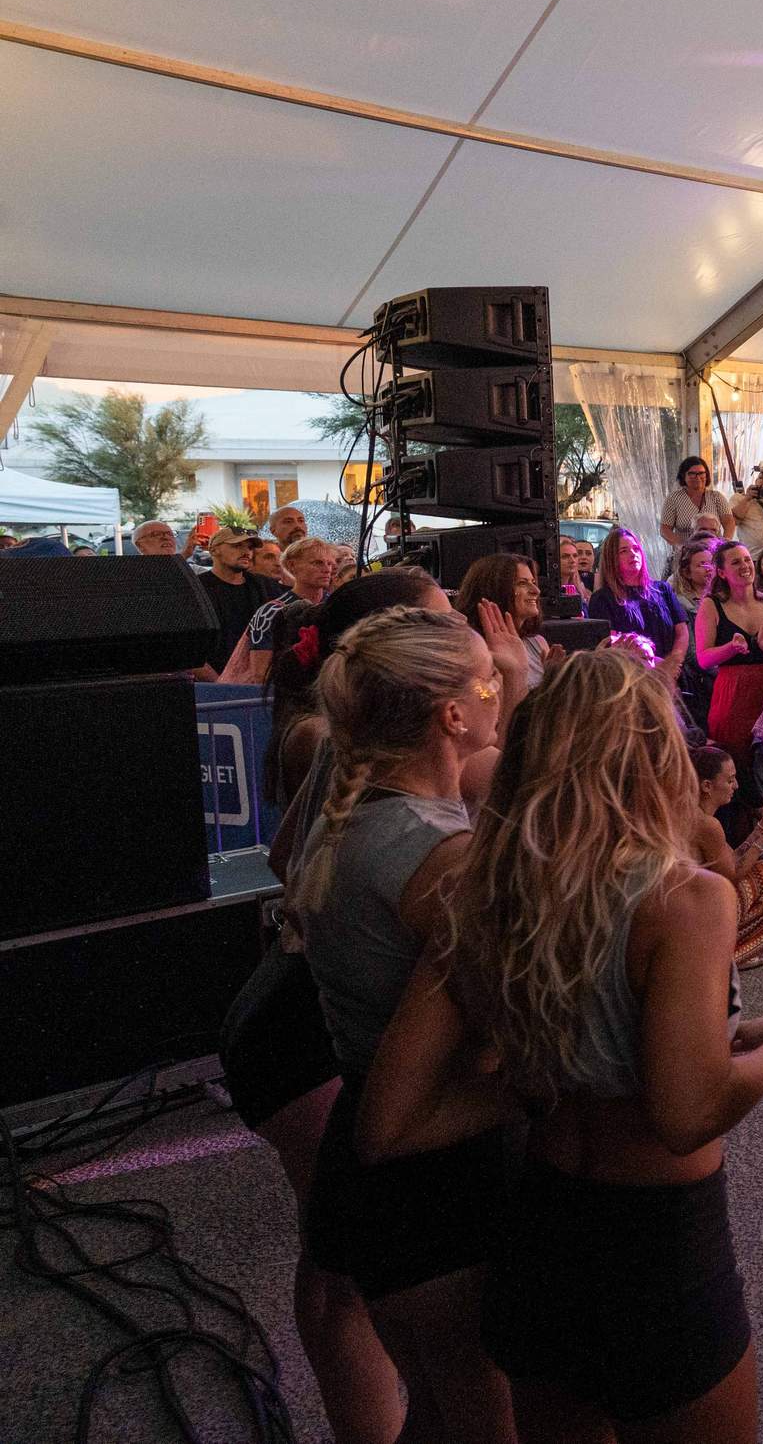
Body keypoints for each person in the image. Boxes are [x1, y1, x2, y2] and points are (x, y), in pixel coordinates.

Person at [359, 650, 763, 1444]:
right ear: (654, 756)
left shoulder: (486, 892)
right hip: (662, 1249)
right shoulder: (687, 899)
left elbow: (388, 1122)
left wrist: (545, 1080)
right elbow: (686, 1113)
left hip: (540, 1235)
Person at [222, 569, 454, 1444]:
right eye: (443, 623)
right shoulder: (361, 744)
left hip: (286, 1003)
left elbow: (287, 856)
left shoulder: (358, 737)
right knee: (346, 1275)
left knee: (338, 1256)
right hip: (300, 1031)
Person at [287, 606, 516, 1443]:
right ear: (452, 715)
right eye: (488, 682)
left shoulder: (346, 815)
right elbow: (497, 1036)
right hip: (440, 1174)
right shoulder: (440, 859)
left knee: (434, 1406)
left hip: (371, 1169)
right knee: (484, 1417)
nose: (500, 691)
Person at [690, 745, 763, 967]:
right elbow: (733, 875)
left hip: (695, 907)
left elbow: (732, 857)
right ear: (707, 786)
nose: (736, 786)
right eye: (730, 780)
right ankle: (727, 957)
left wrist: (761, 826)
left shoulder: (700, 816)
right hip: (698, 914)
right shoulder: (706, 824)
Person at [698, 542, 763, 772]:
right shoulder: (711, 605)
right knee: (737, 764)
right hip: (732, 695)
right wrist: (730, 648)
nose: (745, 565)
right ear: (721, 572)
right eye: (736, 562)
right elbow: (703, 658)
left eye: (747, 559)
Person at [585, 529, 694, 690]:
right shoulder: (602, 599)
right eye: (624, 551)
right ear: (612, 559)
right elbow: (612, 642)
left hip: (671, 675)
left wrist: (673, 663)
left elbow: (682, 631)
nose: (633, 554)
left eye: (636, 548)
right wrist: (654, 666)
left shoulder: (662, 589)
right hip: (631, 679)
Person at [225, 537, 338, 684]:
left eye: (329, 564)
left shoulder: (336, 606)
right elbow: (260, 675)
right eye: (317, 563)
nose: (327, 569)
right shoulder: (271, 612)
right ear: (292, 565)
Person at [451, 553, 553, 701]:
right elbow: (486, 708)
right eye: (522, 583)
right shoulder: (475, 651)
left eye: (533, 582)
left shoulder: (539, 643)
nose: (536, 591)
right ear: (495, 589)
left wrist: (557, 680)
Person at [195, 526, 284, 680]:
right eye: (237, 546)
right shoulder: (196, 589)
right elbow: (187, 649)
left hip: (260, 680)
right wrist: (220, 685)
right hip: (212, 683)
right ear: (214, 550)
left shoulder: (265, 586)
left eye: (249, 547)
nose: (246, 552)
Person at [660, 456, 734, 550]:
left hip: (714, 551)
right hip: (685, 553)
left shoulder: (717, 497)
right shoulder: (674, 499)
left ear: (706, 475)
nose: (697, 477)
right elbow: (665, 529)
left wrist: (724, 545)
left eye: (701, 473)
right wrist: (683, 545)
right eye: (692, 474)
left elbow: (729, 523)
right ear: (683, 476)